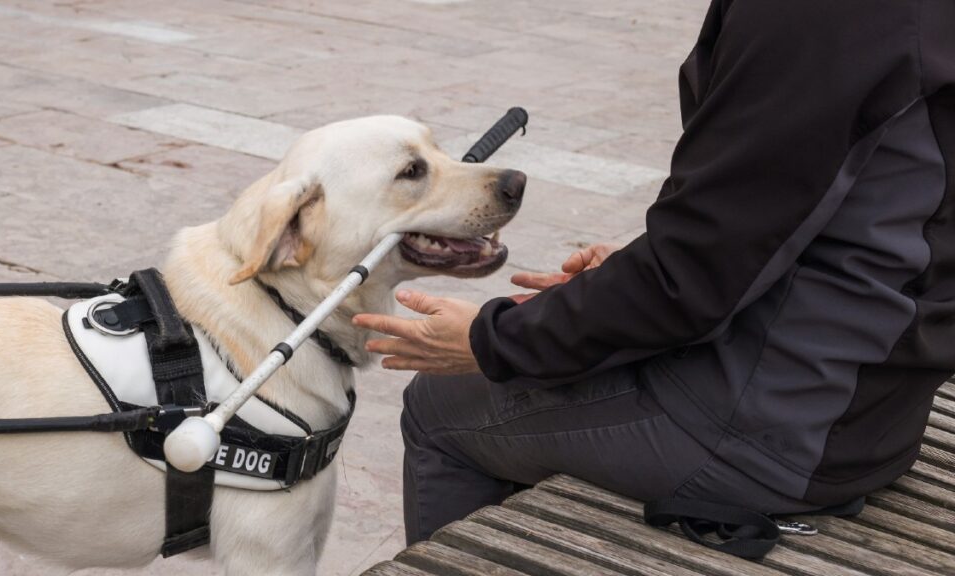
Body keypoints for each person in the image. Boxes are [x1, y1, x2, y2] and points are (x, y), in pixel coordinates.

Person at [353, 0, 955, 545]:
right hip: (873, 408)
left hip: (783, 429)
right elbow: (796, 218)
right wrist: (625, 276)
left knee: (439, 408)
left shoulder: (817, 16)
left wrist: (493, 340)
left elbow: (692, 277)